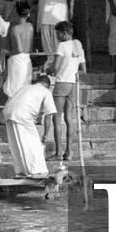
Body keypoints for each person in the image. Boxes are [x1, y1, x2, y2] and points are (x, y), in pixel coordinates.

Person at [44, 21, 86, 161]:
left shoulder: (62, 46)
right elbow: (83, 70)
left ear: (65, 33)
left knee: (57, 118)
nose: (56, 37)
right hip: (73, 84)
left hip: (61, 83)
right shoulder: (78, 45)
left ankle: (58, 153)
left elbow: (55, 67)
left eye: (58, 34)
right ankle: (70, 152)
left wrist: (46, 70)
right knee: (69, 119)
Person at [1, 75, 56, 177]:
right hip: (22, 113)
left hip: (7, 112)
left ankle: (21, 171)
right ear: (47, 85)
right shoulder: (46, 91)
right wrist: (45, 135)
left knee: (16, 143)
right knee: (34, 143)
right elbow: (49, 116)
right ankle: (37, 171)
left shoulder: (25, 87)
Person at [1, 1, 34, 98]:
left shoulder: (15, 29)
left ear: (16, 12)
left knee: (15, 91)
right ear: (28, 13)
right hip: (27, 59)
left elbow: (19, 49)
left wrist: (5, 52)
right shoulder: (30, 26)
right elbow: (28, 47)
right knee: (24, 89)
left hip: (17, 60)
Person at [38, 0, 69, 66]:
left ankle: (57, 62)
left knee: (58, 41)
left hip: (59, 13)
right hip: (46, 12)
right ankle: (50, 61)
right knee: (47, 41)